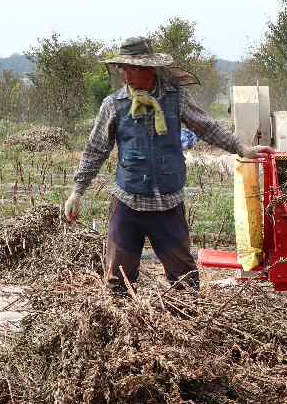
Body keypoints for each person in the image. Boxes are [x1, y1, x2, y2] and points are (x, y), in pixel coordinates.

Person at [63, 36, 273, 293]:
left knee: (185, 281)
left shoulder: (176, 98)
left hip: (167, 204)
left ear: (150, 68)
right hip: (127, 203)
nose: (126, 75)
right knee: (118, 282)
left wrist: (242, 148)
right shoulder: (114, 105)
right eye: (123, 68)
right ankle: (122, 330)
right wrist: (77, 191)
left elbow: (207, 127)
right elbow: (95, 149)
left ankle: (189, 325)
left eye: (132, 68)